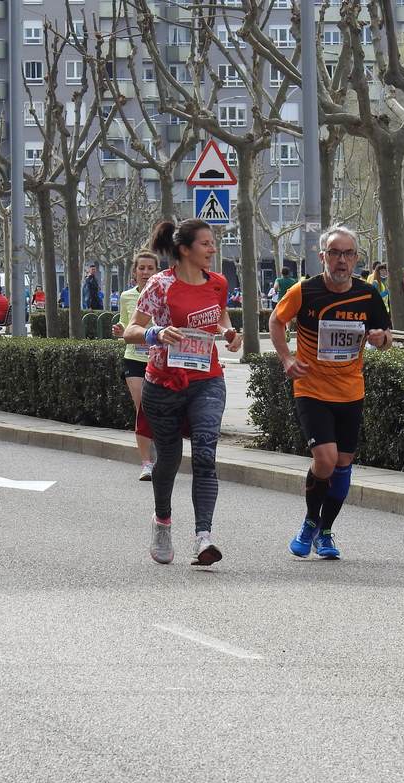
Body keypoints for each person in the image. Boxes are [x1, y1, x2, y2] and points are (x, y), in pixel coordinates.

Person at [124, 219, 243, 567]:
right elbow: (132, 329)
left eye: (213, 243)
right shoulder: (160, 285)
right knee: (170, 460)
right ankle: (162, 521)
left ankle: (203, 537)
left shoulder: (218, 283)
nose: (213, 249)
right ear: (185, 249)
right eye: (206, 244)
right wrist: (157, 334)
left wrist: (230, 332)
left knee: (206, 453)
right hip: (163, 384)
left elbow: (220, 318)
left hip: (207, 379)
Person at [269, 225, 392, 561]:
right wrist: (286, 358)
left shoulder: (368, 296)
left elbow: (385, 336)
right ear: (322, 256)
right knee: (324, 459)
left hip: (351, 391)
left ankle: (325, 531)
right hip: (311, 388)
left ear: (356, 258)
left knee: (342, 464)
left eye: (349, 253)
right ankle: (310, 521)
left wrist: (382, 340)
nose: (342, 260)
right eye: (335, 253)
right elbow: (276, 322)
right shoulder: (304, 292)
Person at [112, 249, 159, 481]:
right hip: (134, 358)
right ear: (134, 271)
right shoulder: (126, 296)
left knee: (159, 410)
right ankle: (147, 463)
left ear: (157, 272)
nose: (146, 272)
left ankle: (161, 454)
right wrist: (120, 330)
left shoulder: (164, 294)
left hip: (159, 359)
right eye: (142, 268)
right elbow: (125, 324)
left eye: (150, 268)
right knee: (143, 408)